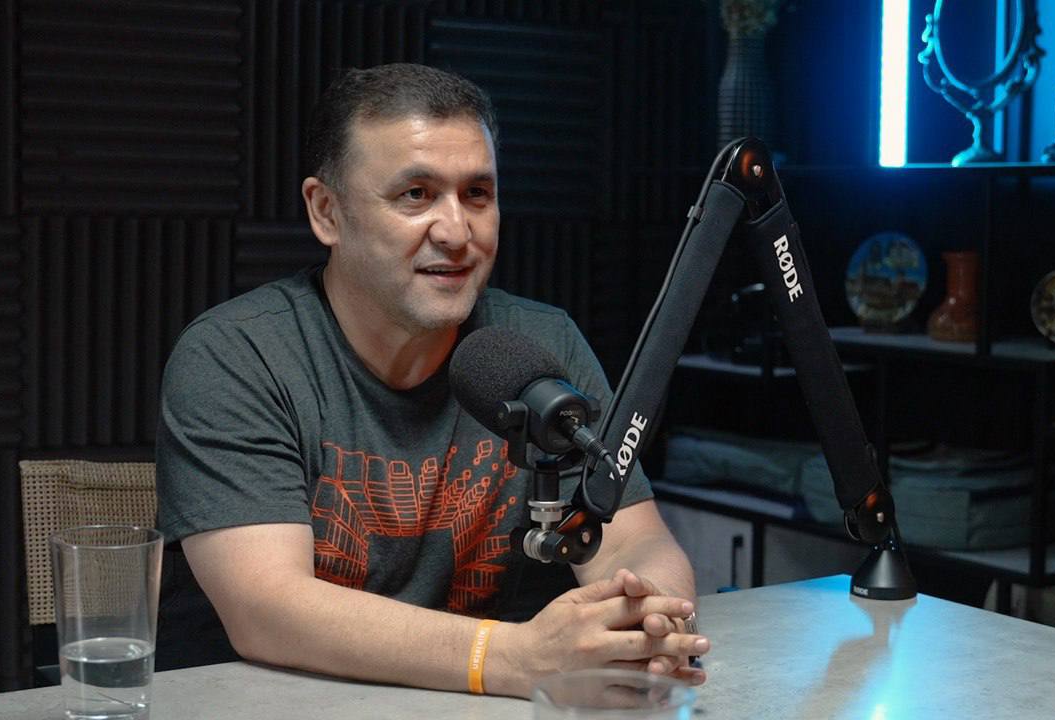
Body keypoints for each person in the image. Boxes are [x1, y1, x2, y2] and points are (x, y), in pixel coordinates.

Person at [156, 62, 708, 698]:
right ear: (327, 212)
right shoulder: (237, 355)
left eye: (477, 194)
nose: (455, 232)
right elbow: (269, 610)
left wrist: (651, 619)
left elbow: (633, 540)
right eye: (415, 195)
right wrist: (516, 657)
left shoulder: (542, 344)